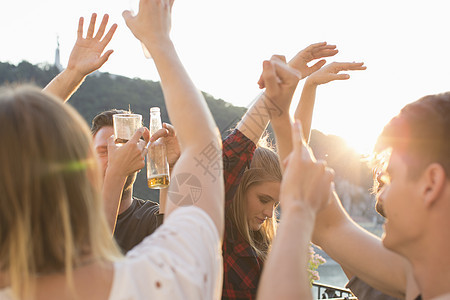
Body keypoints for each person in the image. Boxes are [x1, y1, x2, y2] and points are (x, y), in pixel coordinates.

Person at [0, 1, 224, 299]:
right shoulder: (154, 282)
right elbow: (205, 148)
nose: (116, 153)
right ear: (83, 167)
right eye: (104, 149)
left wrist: (72, 74)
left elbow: (14, 145)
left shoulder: (144, 215)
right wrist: (160, 43)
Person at [258, 92, 450, 300]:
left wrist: (297, 212)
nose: (381, 199)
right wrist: (280, 117)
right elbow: (329, 226)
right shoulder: (420, 276)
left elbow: (326, 226)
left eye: (390, 178)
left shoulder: (414, 278)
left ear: (431, 184)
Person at [221, 42, 340, 300]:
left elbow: (296, 151)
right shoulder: (221, 234)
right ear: (238, 186)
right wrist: (276, 95)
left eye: (275, 204)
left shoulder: (260, 241)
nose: (268, 212)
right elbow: (229, 156)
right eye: (264, 199)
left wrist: (309, 88)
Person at [91, 109, 180, 253]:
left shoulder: (149, 218)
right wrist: (117, 172)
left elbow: (173, 252)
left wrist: (170, 166)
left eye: (123, 149)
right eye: (103, 151)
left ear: (140, 157)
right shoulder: (70, 213)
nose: (114, 158)